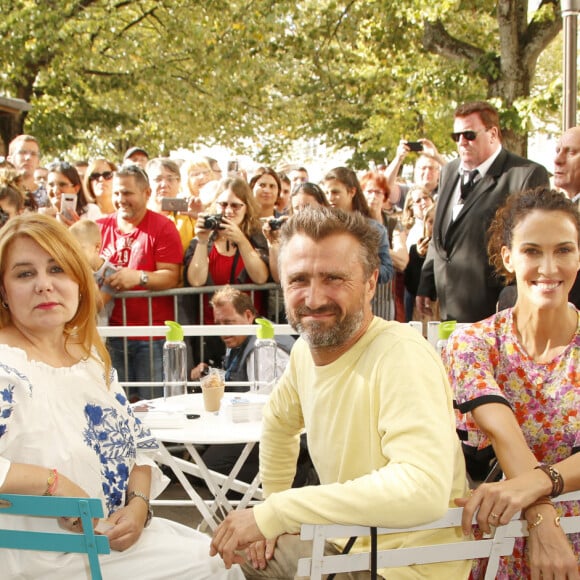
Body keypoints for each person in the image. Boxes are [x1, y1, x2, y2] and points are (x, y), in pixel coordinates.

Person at [209, 207, 470, 579]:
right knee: (222, 550)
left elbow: (422, 489)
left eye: (333, 278)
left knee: (222, 563)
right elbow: (278, 423)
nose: (314, 299)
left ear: (370, 282)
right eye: (298, 280)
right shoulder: (303, 352)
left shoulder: (401, 354)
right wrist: (274, 514)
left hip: (404, 568)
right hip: (351, 545)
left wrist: (279, 512)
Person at [0, 213, 243, 580]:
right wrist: (53, 482)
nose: (44, 285)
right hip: (44, 558)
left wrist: (138, 507)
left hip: (114, 545)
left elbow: (139, 450)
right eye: (24, 274)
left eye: (57, 269)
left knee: (218, 560)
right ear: (3, 290)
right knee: (212, 567)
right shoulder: (5, 367)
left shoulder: (89, 358)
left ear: (80, 281)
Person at [444, 188, 580, 578]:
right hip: (500, 540)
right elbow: (503, 434)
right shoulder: (473, 343)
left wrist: (534, 488)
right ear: (508, 257)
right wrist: (543, 519)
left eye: (564, 250)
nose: (549, 267)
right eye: (532, 251)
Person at [416, 101, 550, 323]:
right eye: (456, 136)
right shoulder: (449, 171)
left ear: (492, 133)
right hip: (449, 306)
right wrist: (426, 282)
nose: (462, 142)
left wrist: (513, 297)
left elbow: (533, 245)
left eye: (469, 134)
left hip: (496, 308)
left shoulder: (525, 175)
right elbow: (440, 235)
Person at [191, 285, 296, 484]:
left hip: (282, 432)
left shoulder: (263, 347)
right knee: (203, 461)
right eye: (219, 324)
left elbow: (267, 401)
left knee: (207, 471)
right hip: (257, 424)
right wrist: (209, 375)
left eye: (228, 322)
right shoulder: (243, 336)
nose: (223, 331)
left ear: (248, 316)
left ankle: (300, 479)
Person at [97, 164, 182, 399]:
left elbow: (171, 276)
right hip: (111, 334)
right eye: (116, 193)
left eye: (127, 193)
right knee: (116, 405)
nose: (120, 199)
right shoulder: (100, 227)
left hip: (151, 336)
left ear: (146, 193)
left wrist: (139, 277)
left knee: (153, 406)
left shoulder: (163, 227)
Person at [184, 177, 269, 362]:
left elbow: (261, 277)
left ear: (247, 207)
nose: (228, 211)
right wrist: (202, 240)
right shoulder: (203, 241)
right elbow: (196, 280)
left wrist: (241, 241)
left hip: (250, 331)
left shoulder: (257, 239)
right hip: (212, 332)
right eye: (223, 205)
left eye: (236, 205)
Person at [322, 166, 394, 283]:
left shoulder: (374, 229)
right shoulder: (321, 227)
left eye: (335, 192)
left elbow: (387, 271)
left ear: (352, 192)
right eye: (326, 192)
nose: (330, 198)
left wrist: (359, 267)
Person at [146, 157, 201, 252]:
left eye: (170, 179)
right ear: (147, 183)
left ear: (178, 182)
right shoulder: (140, 216)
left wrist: (201, 217)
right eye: (158, 179)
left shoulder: (189, 216)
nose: (164, 184)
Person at [385, 139, 446, 207]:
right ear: (415, 171)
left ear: (438, 173)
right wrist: (398, 158)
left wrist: (436, 156)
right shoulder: (407, 192)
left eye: (431, 168)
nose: (427, 172)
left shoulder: (445, 191)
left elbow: (458, 176)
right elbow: (385, 185)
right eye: (423, 168)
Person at [7, 134, 48, 208]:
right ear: (10, 160)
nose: (28, 157)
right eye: (22, 152)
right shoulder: (3, 192)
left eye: (33, 154)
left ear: (38, 161)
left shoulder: (48, 195)